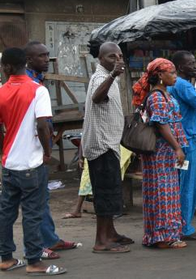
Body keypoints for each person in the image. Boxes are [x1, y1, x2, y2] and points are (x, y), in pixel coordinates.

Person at [0, 48, 67, 275]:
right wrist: (47, 153)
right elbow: (42, 125)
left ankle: (6, 258)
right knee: (32, 213)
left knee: (6, 212)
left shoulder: (1, 91)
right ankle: (34, 261)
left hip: (9, 163)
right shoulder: (38, 90)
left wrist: (4, 151)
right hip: (32, 162)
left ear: (7, 67)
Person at [24, 41, 78, 259]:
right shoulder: (30, 84)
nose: (46, 59)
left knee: (42, 197)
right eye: (41, 56)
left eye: (47, 55)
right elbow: (40, 123)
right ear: (29, 59)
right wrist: (47, 151)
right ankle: (37, 246)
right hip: (31, 150)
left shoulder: (38, 80)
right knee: (33, 201)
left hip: (37, 149)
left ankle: (50, 239)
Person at [81, 42, 131, 253]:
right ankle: (101, 241)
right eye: (112, 57)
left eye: (119, 56)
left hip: (108, 143)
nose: (117, 60)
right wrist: (112, 75)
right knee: (104, 193)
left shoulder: (108, 77)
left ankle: (110, 233)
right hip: (102, 145)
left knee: (111, 191)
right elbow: (97, 97)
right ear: (100, 59)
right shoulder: (102, 77)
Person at [132, 58, 188, 249]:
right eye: (171, 72)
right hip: (161, 152)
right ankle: (163, 236)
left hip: (165, 152)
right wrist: (177, 147)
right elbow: (161, 124)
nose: (175, 76)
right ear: (160, 76)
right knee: (162, 192)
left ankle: (162, 235)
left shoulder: (165, 94)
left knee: (166, 191)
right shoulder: (157, 97)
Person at [168, 51, 196, 241]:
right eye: (190, 63)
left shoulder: (174, 84)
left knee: (178, 184)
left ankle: (178, 224)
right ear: (179, 67)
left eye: (195, 62)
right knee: (188, 185)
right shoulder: (183, 85)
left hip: (178, 139)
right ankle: (185, 227)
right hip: (187, 142)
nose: (195, 66)